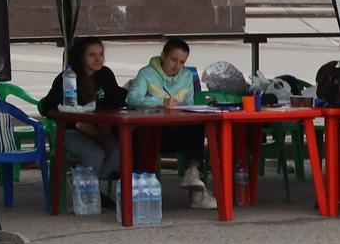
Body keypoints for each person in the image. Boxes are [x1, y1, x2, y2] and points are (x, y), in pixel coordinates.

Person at [38, 38, 129, 207]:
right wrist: (79, 122)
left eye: (101, 54)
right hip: (71, 130)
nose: (98, 59)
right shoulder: (67, 77)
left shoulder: (106, 74)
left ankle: (82, 184)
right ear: (81, 57)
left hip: (100, 129)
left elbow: (115, 99)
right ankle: (88, 193)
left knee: (119, 151)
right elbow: (47, 107)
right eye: (92, 55)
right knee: (94, 154)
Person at [125, 36, 215, 209]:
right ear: (163, 56)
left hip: (177, 129)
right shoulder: (147, 73)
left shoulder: (186, 76)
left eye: (182, 62)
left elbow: (188, 105)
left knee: (197, 124)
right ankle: (194, 186)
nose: (177, 66)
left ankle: (192, 174)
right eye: (174, 60)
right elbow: (132, 98)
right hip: (151, 132)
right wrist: (160, 102)